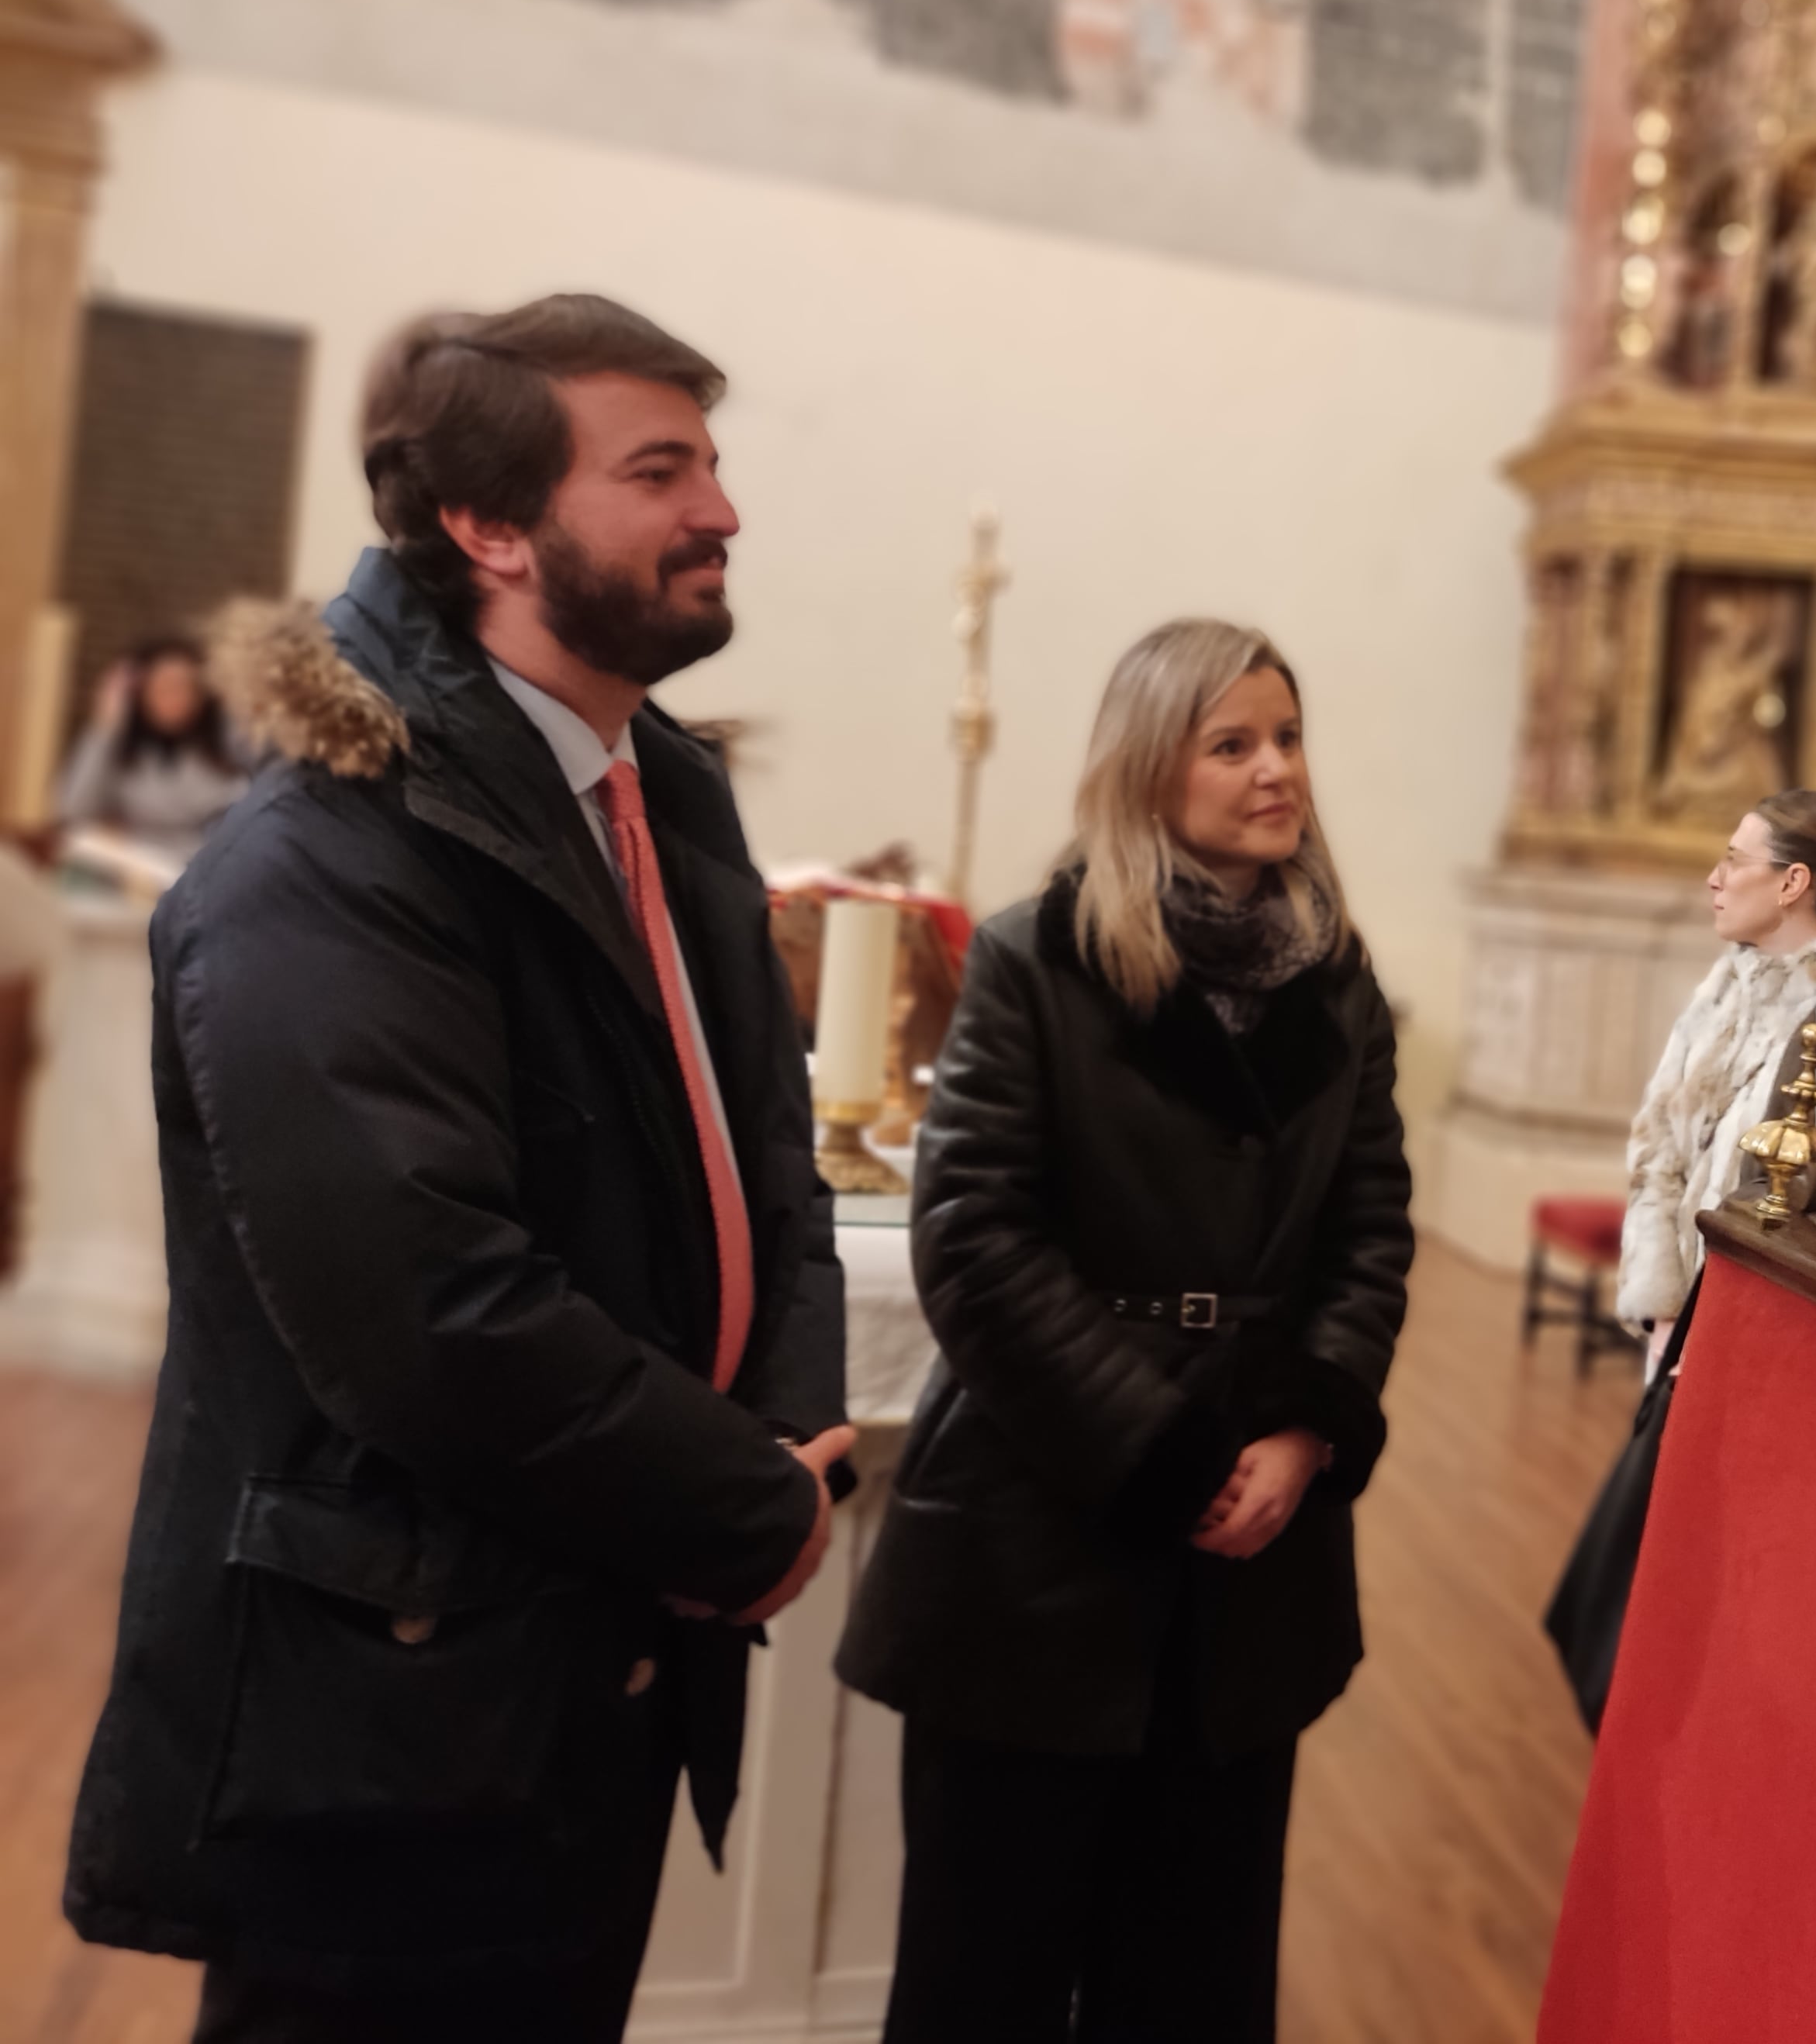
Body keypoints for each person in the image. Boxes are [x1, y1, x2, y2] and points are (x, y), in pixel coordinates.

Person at [63, 295, 852, 2042]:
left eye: (711, 462)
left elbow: (762, 1163)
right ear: (489, 529)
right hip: (402, 1707)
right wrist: (743, 1505)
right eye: (659, 469)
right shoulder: (324, 855)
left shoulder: (660, 789)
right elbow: (430, 1310)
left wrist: (779, 1426)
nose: (719, 508)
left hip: (598, 1652)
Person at [837, 617, 1412, 2044]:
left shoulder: (1336, 983)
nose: (1277, 770)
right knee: (989, 1975)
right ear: (1152, 769)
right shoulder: (1044, 957)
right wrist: (1164, 1458)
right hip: (1043, 1526)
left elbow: (1372, 1232)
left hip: (1253, 1555)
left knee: (1194, 1981)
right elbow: (972, 1236)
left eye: (1287, 738)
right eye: (1234, 744)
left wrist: (1304, 1426)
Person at [1617, 788, 1816, 1359]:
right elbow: (1656, 1149)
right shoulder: (1722, 989)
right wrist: (1661, 1310)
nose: (1715, 878)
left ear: (1792, 883)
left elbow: (1806, 1205)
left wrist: (1710, 1337)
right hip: (1674, 1330)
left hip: (1750, 1339)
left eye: (1734, 860)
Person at [54, 634, 248, 860]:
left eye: (186, 686)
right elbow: (73, 810)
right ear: (140, 692)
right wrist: (105, 728)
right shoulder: (122, 749)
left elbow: (239, 822)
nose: (176, 697)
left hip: (201, 867)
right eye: (164, 686)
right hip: (129, 867)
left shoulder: (223, 743)